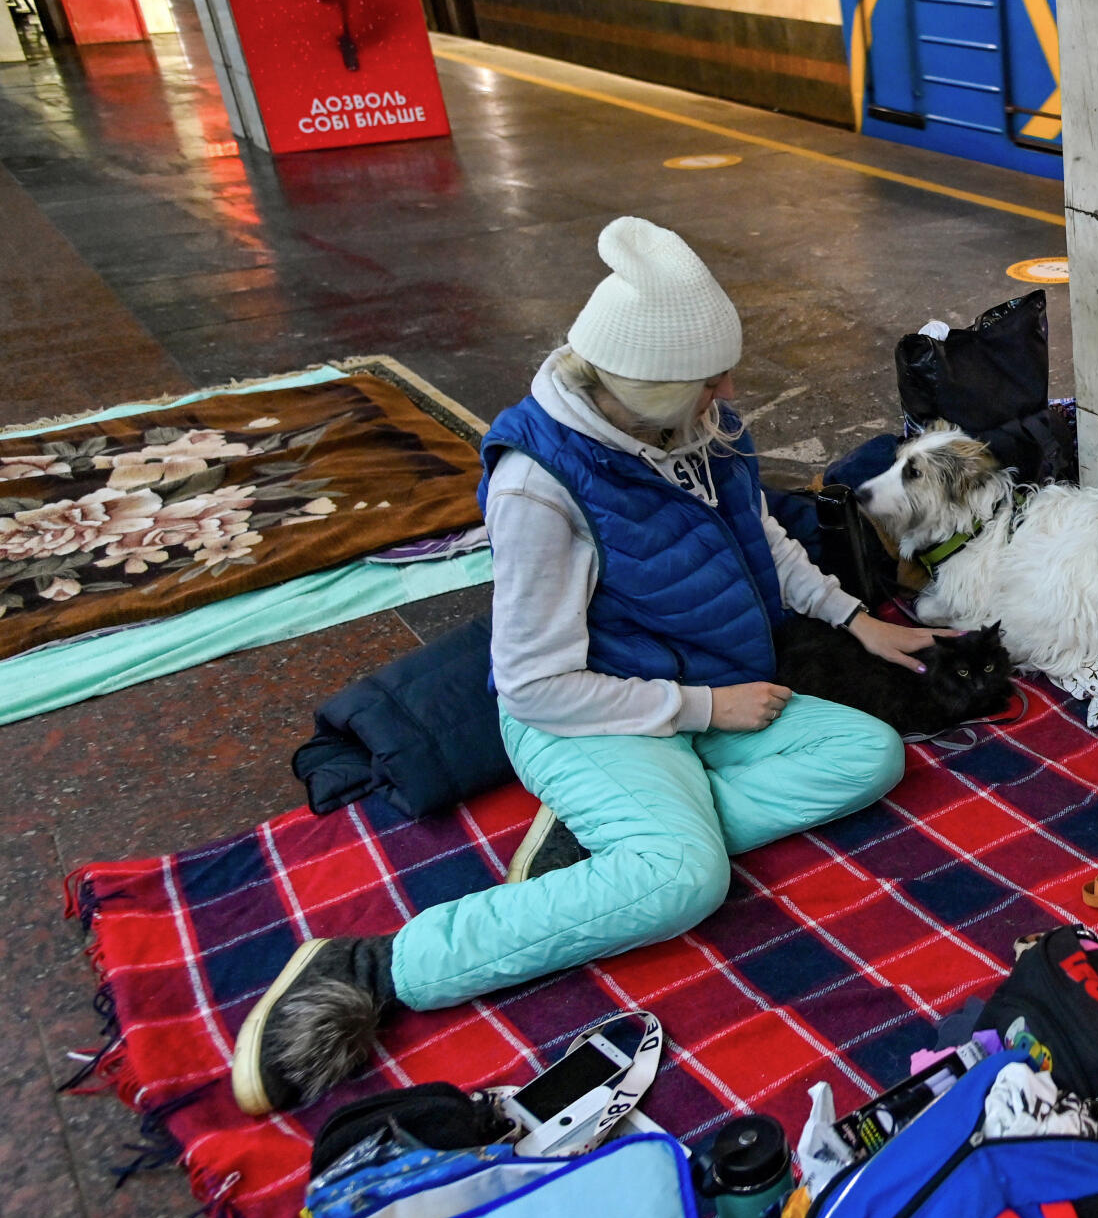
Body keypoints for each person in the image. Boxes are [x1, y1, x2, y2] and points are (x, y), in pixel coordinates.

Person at [230, 218, 940, 1114]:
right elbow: (532, 686)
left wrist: (853, 620)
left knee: (868, 753)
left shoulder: (700, 426)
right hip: (585, 718)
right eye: (708, 377)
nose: (729, 389)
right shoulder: (540, 486)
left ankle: (617, 849)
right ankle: (377, 966)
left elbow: (753, 532)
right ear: (648, 385)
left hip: (700, 690)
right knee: (688, 881)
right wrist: (700, 709)